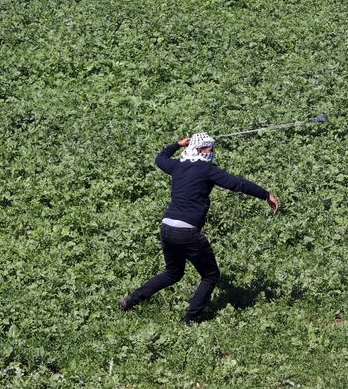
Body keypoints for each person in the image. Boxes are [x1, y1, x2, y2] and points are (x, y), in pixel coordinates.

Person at [118, 132, 279, 325]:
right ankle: (190, 320)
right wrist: (265, 195)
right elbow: (238, 184)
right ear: (204, 149)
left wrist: (177, 144)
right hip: (187, 231)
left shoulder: (178, 166)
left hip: (167, 226)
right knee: (210, 275)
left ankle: (130, 300)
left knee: (173, 273)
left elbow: (160, 159)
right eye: (210, 148)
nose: (213, 151)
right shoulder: (207, 169)